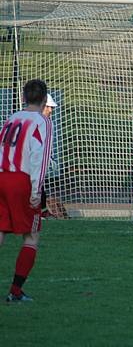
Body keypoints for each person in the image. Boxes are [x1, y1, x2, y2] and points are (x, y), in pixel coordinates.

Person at [0, 79, 53, 302]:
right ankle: (15, 291)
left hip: (2, 175)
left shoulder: (12, 118)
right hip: (21, 181)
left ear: (23, 97)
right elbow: (39, 158)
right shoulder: (42, 121)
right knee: (31, 236)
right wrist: (36, 191)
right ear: (43, 100)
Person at [40, 93, 67, 219]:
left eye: (51, 107)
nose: (50, 110)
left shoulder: (47, 123)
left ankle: (42, 211)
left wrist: (49, 157)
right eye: (48, 107)